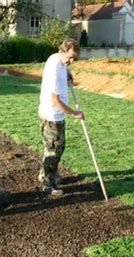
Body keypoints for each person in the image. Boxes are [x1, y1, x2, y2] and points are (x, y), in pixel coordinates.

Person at [38, 38, 84, 196]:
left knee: (54, 147)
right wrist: (74, 113)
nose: (71, 61)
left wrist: (68, 74)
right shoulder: (55, 71)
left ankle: (46, 173)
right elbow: (55, 101)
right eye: (70, 57)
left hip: (51, 114)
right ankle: (48, 184)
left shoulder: (56, 59)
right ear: (62, 51)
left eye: (74, 58)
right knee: (54, 151)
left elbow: (64, 68)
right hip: (52, 116)